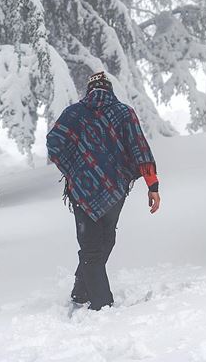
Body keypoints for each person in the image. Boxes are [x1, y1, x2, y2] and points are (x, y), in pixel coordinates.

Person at [46, 70, 160, 311]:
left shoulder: (73, 113)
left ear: (89, 91)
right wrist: (153, 186)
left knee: (92, 245)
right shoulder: (123, 113)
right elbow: (140, 148)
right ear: (110, 89)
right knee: (104, 241)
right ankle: (101, 303)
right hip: (114, 190)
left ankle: (81, 291)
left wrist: (74, 168)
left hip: (81, 190)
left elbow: (54, 142)